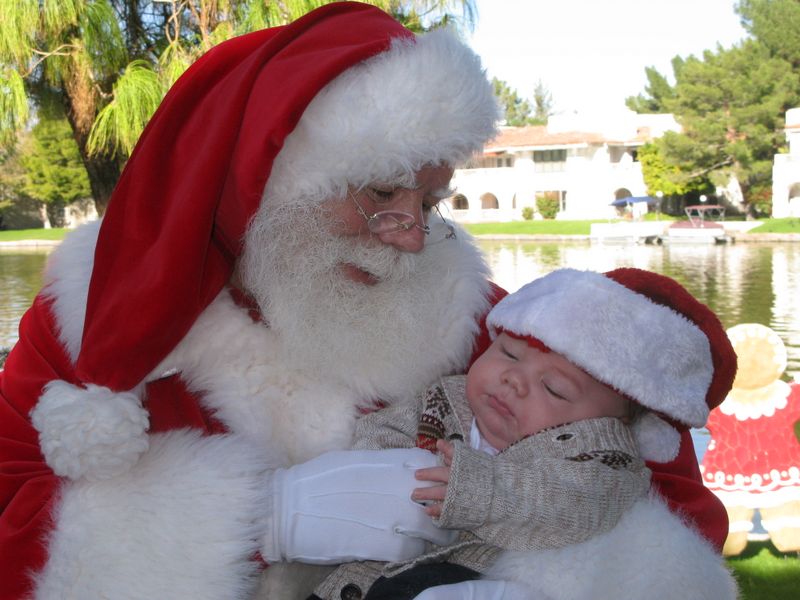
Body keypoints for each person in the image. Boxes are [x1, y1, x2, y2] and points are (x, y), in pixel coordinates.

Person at [0, 3, 731, 599]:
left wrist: (513, 573)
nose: (411, 238)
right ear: (271, 179)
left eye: (431, 200)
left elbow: (662, 490)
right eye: (381, 193)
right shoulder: (81, 324)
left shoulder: (480, 321)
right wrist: (255, 521)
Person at [312, 268, 738, 600]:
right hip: (366, 571)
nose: (514, 379)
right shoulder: (449, 398)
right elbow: (385, 427)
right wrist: (380, 468)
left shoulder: (603, 461)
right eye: (508, 353)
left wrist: (486, 490)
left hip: (472, 572)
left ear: (611, 426)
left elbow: (573, 502)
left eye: (554, 388)